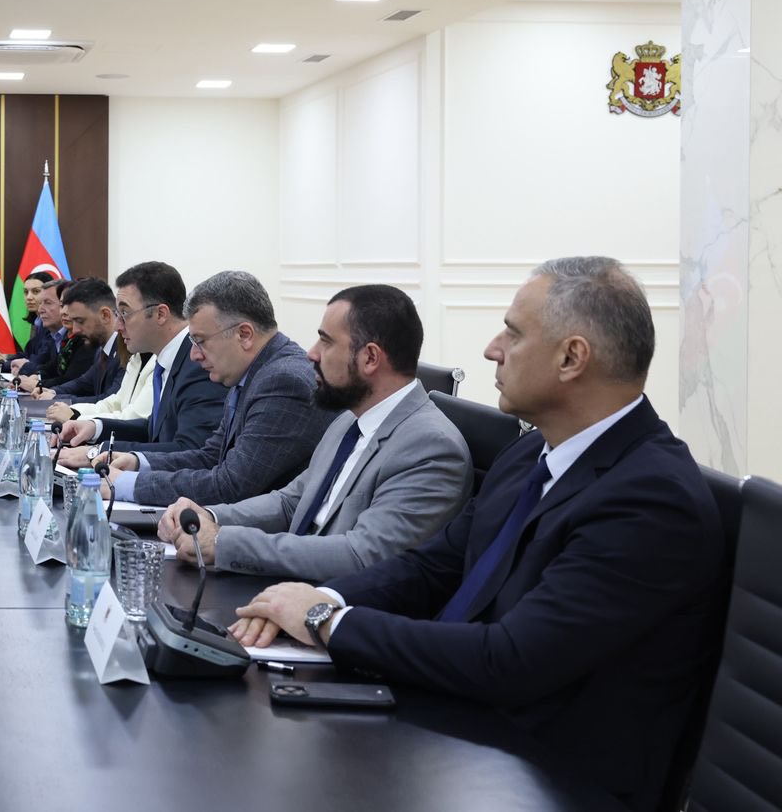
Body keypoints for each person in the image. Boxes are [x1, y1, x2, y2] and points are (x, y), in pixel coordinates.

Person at [232, 258, 722, 812]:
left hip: (546, 775)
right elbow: (432, 566)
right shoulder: (531, 453)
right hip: (462, 724)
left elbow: (512, 660)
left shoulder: (652, 499)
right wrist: (320, 597)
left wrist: (327, 621)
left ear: (571, 358)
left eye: (513, 333)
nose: (492, 349)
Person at [156, 284, 470, 580]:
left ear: (370, 358)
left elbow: (362, 555)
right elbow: (290, 502)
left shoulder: (430, 446)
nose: (312, 353)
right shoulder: (348, 421)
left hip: (332, 601)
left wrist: (224, 543)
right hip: (289, 584)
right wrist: (208, 516)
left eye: (326, 342)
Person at [108, 270, 333, 509]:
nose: (194, 355)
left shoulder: (283, 382)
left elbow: (231, 485)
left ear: (244, 335)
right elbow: (211, 456)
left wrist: (126, 485)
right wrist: (138, 462)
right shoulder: (251, 373)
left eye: (200, 341)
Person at [56, 261, 226, 465]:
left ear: (160, 314)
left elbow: (190, 449)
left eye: (125, 313)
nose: (118, 326)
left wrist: (99, 452)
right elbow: (154, 431)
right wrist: (95, 427)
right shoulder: (166, 359)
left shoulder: (198, 363)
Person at [33, 278, 124, 404]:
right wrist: (52, 392)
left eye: (80, 321)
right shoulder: (102, 350)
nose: (75, 330)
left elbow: (110, 402)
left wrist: (57, 399)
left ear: (105, 315)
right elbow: (83, 383)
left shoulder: (126, 352)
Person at [15, 279, 96, 391]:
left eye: (48, 303)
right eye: (62, 305)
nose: (40, 310)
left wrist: (38, 384)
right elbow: (51, 367)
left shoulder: (86, 339)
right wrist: (37, 377)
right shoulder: (65, 338)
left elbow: (74, 381)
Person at [0, 270, 56, 372]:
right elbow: (28, 355)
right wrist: (5, 357)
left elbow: (39, 360)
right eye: (26, 292)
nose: (29, 297)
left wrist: (4, 363)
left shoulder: (52, 325)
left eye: (36, 291)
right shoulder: (37, 323)